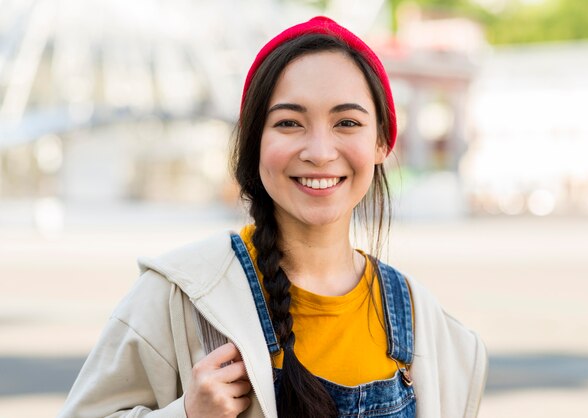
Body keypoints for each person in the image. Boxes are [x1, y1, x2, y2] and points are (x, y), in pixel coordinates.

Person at [59, 16, 487, 418]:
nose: (319, 152)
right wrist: (187, 413)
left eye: (347, 122)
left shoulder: (433, 332)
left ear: (381, 143)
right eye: (289, 123)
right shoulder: (182, 293)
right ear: (255, 142)